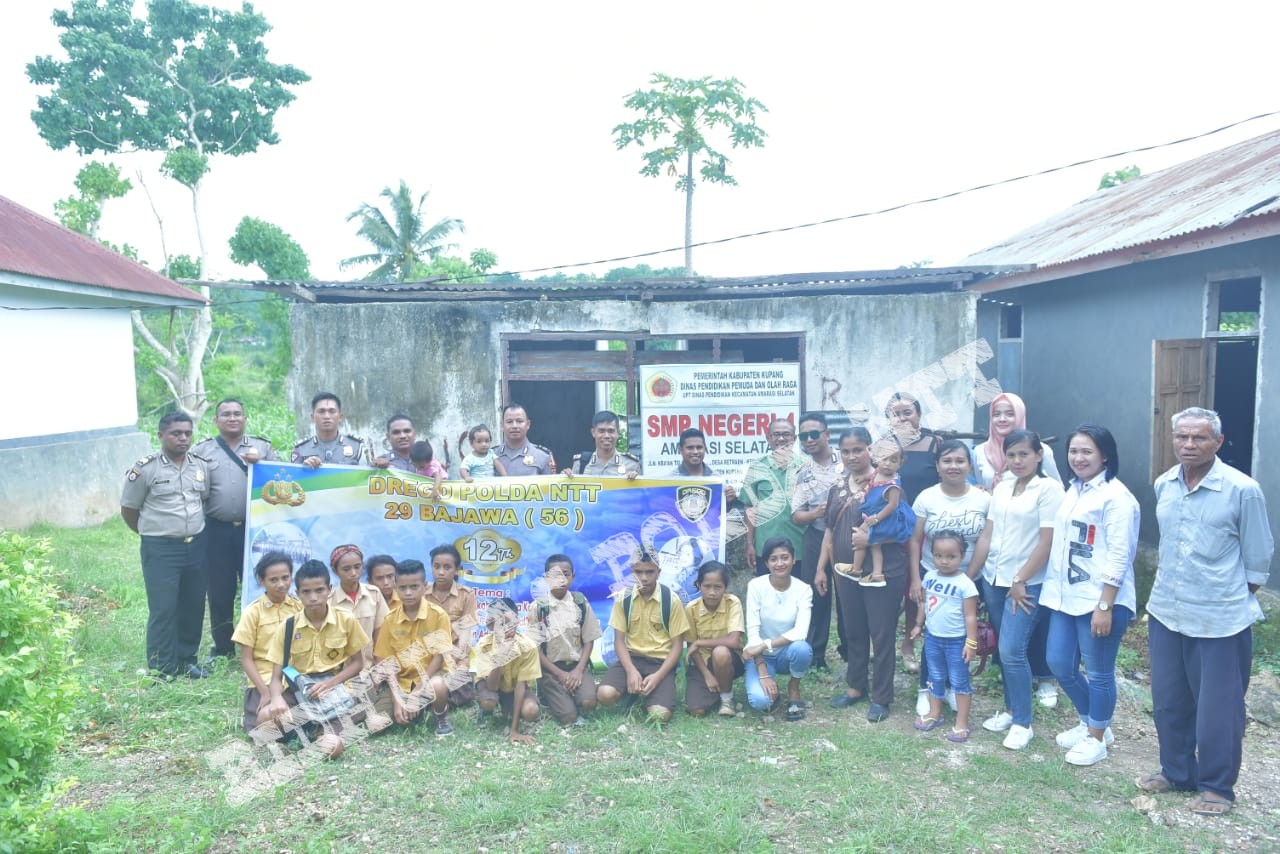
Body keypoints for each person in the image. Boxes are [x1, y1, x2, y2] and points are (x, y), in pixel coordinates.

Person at [1138, 407, 1272, 816]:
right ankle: (1177, 772)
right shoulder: (1165, 484)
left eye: (1198, 438)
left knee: (1219, 709)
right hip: (1167, 611)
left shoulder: (1241, 489)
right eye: (1181, 437)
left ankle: (1217, 787)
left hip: (1220, 620)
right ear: (1172, 439)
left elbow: (1257, 561)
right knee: (1168, 700)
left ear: (1218, 441)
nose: (1189, 445)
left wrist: (1224, 595)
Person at [1041, 424, 1139, 766]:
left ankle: (1097, 738)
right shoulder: (1074, 490)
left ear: (1105, 455)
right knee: (1058, 663)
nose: (1078, 458)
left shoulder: (1117, 497)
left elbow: (1120, 554)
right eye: (1074, 451)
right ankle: (1092, 722)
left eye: (1087, 451)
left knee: (1098, 672)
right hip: (1066, 596)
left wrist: (1105, 604)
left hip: (1101, 600)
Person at [970, 430, 1064, 750]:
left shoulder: (1049, 489)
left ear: (1039, 456)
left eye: (1024, 454)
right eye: (1011, 455)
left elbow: (1047, 541)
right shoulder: (1003, 488)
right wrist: (970, 576)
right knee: (1003, 650)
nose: (1017, 461)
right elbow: (987, 535)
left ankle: (1023, 722)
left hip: (1026, 585)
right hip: (994, 580)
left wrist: (1021, 579)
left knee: (1012, 649)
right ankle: (1011, 711)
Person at [817, 428, 902, 722]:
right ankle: (856, 687)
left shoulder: (887, 484)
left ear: (871, 451)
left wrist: (872, 540)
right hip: (845, 571)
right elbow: (829, 529)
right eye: (846, 451)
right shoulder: (837, 488)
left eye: (859, 449)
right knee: (853, 630)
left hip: (880, 571)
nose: (852, 456)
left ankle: (881, 696)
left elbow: (904, 527)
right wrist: (822, 568)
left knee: (881, 632)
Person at [120, 412, 211, 680]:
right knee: (163, 608)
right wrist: (152, 533)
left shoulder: (200, 465)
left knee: (193, 604)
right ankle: (161, 668)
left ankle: (187, 660)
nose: (183, 438)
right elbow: (129, 509)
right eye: (175, 433)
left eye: (187, 433)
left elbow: (202, 500)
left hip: (195, 546)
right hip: (160, 549)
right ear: (161, 436)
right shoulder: (145, 469)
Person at [191, 398, 279, 662]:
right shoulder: (202, 450)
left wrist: (260, 464)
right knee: (219, 590)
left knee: (259, 587)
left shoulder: (262, 447)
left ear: (245, 419)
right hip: (216, 531)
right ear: (215, 421)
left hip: (254, 531)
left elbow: (281, 481)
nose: (232, 418)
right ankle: (223, 649)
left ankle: (262, 646)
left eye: (238, 414)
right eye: (226, 414)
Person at [907, 439, 991, 716]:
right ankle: (927, 689)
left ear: (969, 465)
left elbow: (985, 540)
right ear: (938, 466)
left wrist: (966, 578)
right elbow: (915, 540)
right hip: (932, 578)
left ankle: (956, 688)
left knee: (960, 636)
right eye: (947, 460)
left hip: (971, 578)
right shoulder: (926, 497)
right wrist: (916, 580)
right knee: (933, 634)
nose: (954, 466)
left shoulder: (983, 499)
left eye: (960, 461)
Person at [263, 560, 378, 759]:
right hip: (300, 690)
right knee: (265, 718)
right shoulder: (288, 626)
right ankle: (307, 731)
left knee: (332, 747)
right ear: (297, 593)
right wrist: (276, 698)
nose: (313, 597)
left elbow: (358, 663)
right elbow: (276, 676)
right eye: (306, 592)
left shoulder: (346, 620)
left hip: (335, 692)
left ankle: (314, 734)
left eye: (319, 590)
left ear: (329, 590)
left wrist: (331, 683)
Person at [597, 548, 691, 722]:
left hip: (660, 662)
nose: (644, 578)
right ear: (632, 571)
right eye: (639, 572)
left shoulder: (671, 600)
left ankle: (648, 694)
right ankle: (632, 688)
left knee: (659, 716)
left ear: (659, 572)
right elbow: (619, 641)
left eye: (650, 572)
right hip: (632, 659)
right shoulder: (624, 598)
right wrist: (631, 671)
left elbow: (678, 645)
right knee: (604, 695)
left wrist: (659, 676)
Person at [369, 559, 453, 735]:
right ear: (395, 587)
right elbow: (384, 661)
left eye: (414, 587)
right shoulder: (390, 619)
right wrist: (397, 699)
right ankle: (413, 711)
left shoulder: (438, 615)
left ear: (425, 586)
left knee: (438, 685)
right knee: (376, 725)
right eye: (402, 588)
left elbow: (440, 656)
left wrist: (419, 690)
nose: (408, 593)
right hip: (401, 681)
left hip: (431, 675)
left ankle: (440, 715)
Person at [909, 531, 979, 742]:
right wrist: (918, 625)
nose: (944, 561)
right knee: (935, 677)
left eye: (951, 556)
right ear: (932, 555)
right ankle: (934, 713)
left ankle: (962, 723)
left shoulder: (965, 584)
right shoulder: (929, 577)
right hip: (933, 639)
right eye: (939, 556)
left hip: (956, 642)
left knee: (959, 681)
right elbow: (924, 603)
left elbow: (970, 616)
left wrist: (971, 643)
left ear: (962, 555)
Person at [790, 413, 843, 668]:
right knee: (816, 594)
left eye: (814, 434)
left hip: (847, 538)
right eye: (803, 436)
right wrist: (815, 514)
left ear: (827, 434)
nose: (809, 440)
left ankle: (851, 651)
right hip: (816, 535)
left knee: (848, 597)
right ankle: (816, 655)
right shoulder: (803, 473)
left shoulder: (847, 461)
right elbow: (797, 515)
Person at [231, 552, 303, 733]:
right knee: (263, 723)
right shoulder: (253, 612)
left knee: (294, 719)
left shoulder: (299, 607)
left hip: (293, 676)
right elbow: (246, 658)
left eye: (285, 578)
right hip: (263, 678)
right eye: (273, 580)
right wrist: (264, 691)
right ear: (261, 581)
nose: (281, 584)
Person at [743, 538, 813, 721]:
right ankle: (769, 686)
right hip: (761, 656)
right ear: (766, 563)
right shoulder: (756, 586)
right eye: (773, 559)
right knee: (760, 702)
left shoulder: (803, 589)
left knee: (802, 648)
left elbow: (800, 632)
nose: (780, 563)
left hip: (787, 653)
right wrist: (763, 673)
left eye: (785, 557)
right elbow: (753, 634)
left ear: (793, 559)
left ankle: (794, 687)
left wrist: (765, 645)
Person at [533, 554, 602, 725]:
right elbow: (536, 650)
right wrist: (560, 675)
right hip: (551, 669)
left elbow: (589, 640)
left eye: (566, 574)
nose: (561, 579)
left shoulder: (580, 602)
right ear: (546, 578)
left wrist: (579, 670)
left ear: (573, 576)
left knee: (588, 702)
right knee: (568, 717)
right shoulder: (539, 608)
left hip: (576, 666)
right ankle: (549, 694)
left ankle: (572, 691)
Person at [847, 438, 916, 588]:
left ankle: (855, 569)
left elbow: (892, 506)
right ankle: (877, 575)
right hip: (874, 513)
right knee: (875, 546)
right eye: (884, 458)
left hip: (883, 518)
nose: (888, 463)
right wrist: (863, 478)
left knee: (861, 535)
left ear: (900, 463)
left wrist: (876, 519)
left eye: (893, 460)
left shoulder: (892, 486)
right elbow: (872, 477)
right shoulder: (878, 472)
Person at [740, 418, 805, 576]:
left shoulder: (806, 466)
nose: (781, 439)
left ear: (794, 439)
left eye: (786, 434)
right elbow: (750, 507)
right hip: (766, 549)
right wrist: (749, 543)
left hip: (801, 548)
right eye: (776, 434)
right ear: (768, 438)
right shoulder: (757, 468)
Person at [473, 597, 543, 744]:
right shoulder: (484, 645)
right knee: (489, 700)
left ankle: (510, 711)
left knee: (531, 711)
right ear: (491, 625)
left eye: (509, 622)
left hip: (514, 688)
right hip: (491, 684)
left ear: (517, 621)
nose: (506, 627)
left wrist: (514, 730)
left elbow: (520, 686)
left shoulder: (527, 646)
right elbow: (491, 686)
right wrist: (502, 655)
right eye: (500, 623)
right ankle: (486, 711)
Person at [682, 561, 745, 717]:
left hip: (729, 660)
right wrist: (707, 675)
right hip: (702, 663)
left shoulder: (732, 603)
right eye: (707, 586)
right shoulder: (691, 608)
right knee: (696, 709)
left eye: (717, 587)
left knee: (720, 652)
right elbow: (692, 648)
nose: (712, 592)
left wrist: (700, 642)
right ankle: (716, 689)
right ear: (698, 585)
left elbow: (734, 641)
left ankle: (726, 699)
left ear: (725, 586)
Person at [425, 543, 479, 715]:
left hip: (456, 657)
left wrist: (456, 661)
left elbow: (466, 635)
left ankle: (438, 698)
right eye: (436, 566)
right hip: (429, 657)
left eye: (447, 567)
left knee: (463, 694)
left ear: (457, 570)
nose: (441, 572)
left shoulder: (466, 595)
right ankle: (437, 695)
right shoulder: (422, 595)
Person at [971, 392, 1061, 489]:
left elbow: (1057, 488)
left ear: (1020, 416)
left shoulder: (1041, 450)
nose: (1002, 419)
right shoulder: (980, 451)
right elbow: (981, 489)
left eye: (1010, 414)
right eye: (996, 414)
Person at [328, 544, 388, 665]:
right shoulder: (329, 600)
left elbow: (380, 633)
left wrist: (380, 666)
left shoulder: (374, 594)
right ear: (335, 571)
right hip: (339, 670)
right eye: (346, 569)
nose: (354, 573)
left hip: (368, 668)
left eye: (357, 567)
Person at [884, 391, 942, 503]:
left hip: (928, 515)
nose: (902, 418)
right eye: (895, 414)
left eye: (907, 413)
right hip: (891, 516)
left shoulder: (936, 445)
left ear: (919, 414)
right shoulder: (883, 447)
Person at [292, 392, 365, 468]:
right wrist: (304, 469)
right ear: (313, 417)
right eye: (321, 411)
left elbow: (367, 476)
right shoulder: (301, 449)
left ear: (340, 417)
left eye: (332, 411)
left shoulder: (356, 446)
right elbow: (292, 476)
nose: (327, 416)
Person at [668, 427, 736, 502]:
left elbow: (720, 511)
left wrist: (728, 501)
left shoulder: (716, 479)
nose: (695, 451)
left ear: (705, 448)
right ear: (680, 450)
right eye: (690, 448)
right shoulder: (670, 480)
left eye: (699, 447)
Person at [571, 411, 641, 477]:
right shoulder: (580, 464)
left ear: (618, 433)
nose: (606, 436)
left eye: (611, 431)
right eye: (601, 431)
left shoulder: (631, 465)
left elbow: (641, 489)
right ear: (593, 432)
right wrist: (564, 477)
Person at [493, 403, 556, 475]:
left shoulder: (543, 456)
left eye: (519, 421)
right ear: (502, 425)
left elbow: (551, 484)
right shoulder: (491, 455)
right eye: (509, 422)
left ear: (528, 424)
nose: (514, 426)